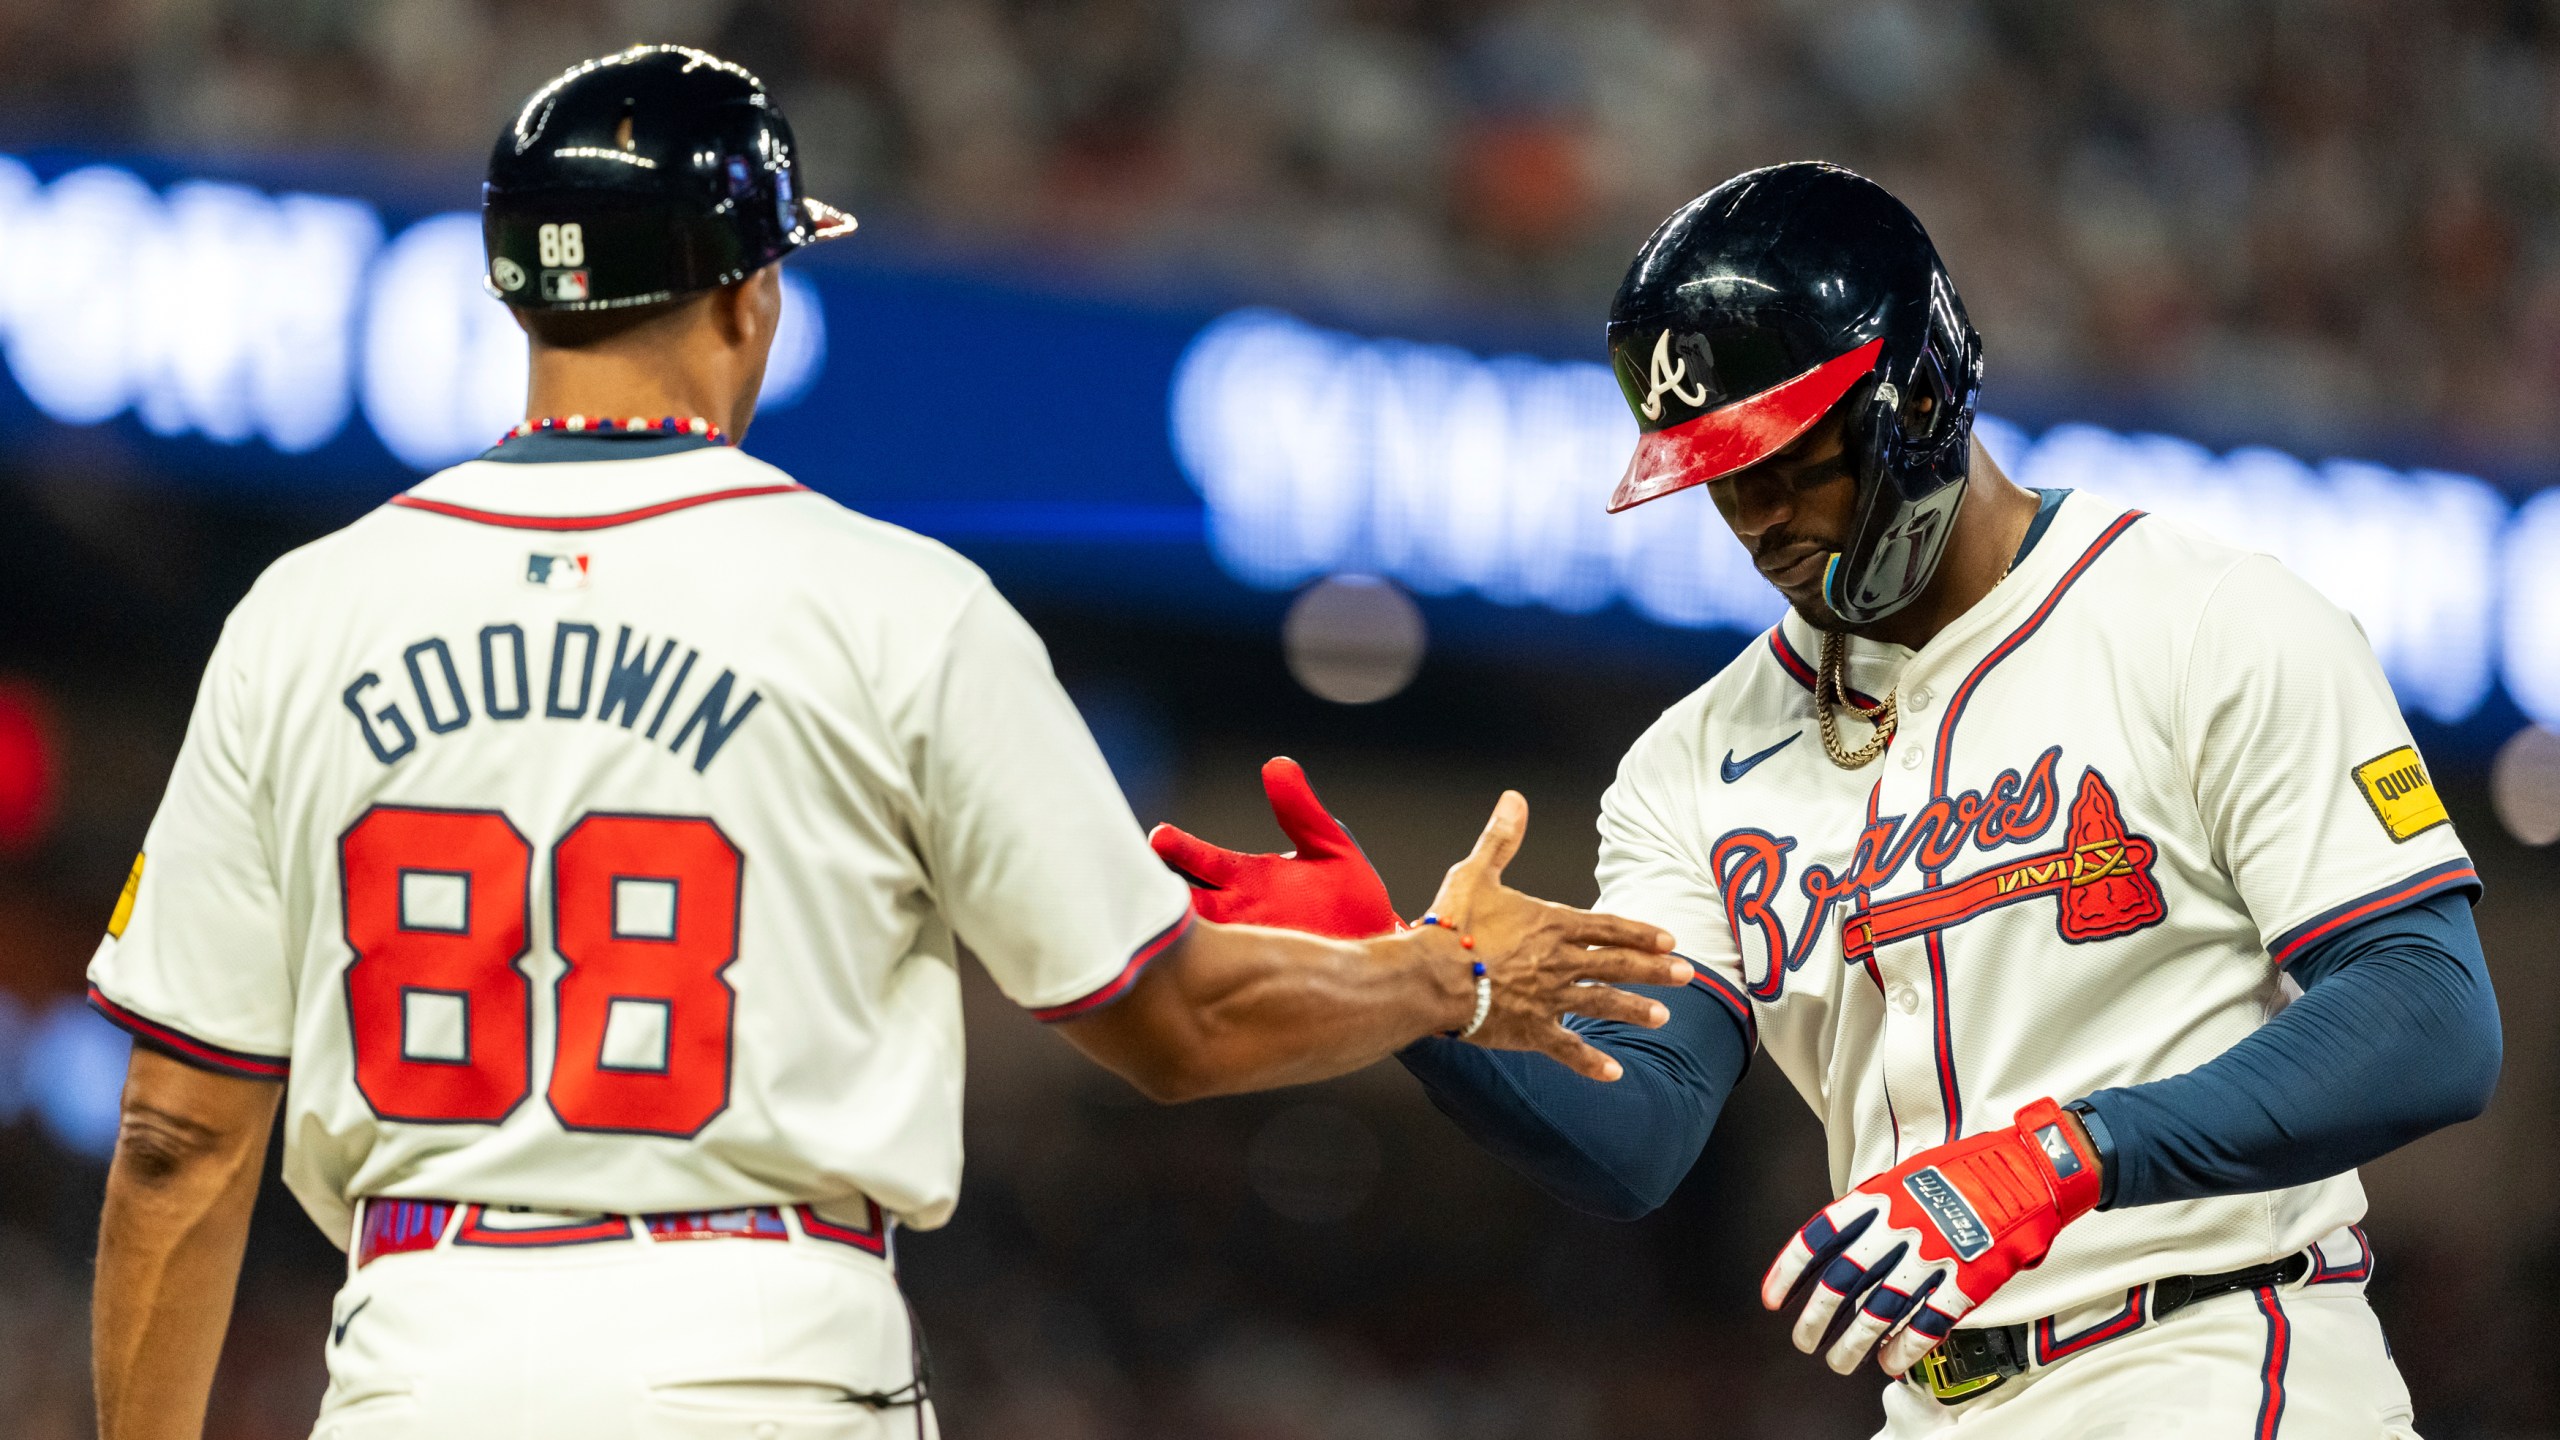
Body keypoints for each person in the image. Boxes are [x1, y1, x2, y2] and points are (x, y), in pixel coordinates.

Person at [83, 46, 1684, 1440]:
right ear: (749, 292)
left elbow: (172, 1133)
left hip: (418, 1356)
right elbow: (1175, 1027)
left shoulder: (306, 613)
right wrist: (1447, 975)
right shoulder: (896, 605)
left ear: (516, 288)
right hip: (766, 1351)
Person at [1148, 162, 2501, 1437]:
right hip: (1935, 1398)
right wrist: (1413, 990)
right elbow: (1640, 1126)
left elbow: (2430, 1013)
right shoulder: (1693, 758)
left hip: (2219, 1360)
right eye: (1720, 481)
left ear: (1919, 390)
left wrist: (2063, 1158)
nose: (1755, 521)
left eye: (1789, 460)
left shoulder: (2209, 619)